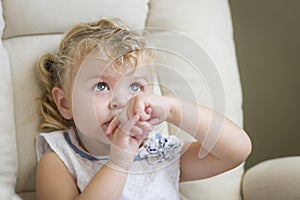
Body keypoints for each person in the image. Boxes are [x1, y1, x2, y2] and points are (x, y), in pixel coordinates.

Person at [35, 18, 251, 200]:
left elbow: (236, 151)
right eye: (101, 86)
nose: (121, 102)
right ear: (65, 103)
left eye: (135, 87)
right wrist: (119, 163)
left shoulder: (156, 150)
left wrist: (172, 109)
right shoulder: (59, 159)